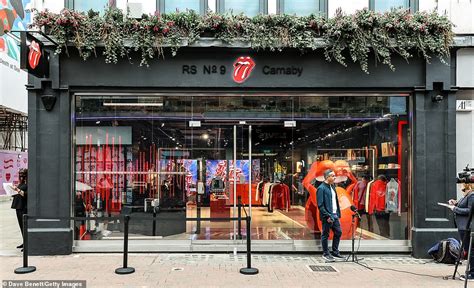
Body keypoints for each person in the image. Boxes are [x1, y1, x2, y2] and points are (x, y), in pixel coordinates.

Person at [449, 183, 474, 281]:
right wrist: (455, 203)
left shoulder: (471, 195)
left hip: (466, 226)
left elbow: (470, 210)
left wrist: (455, 209)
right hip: (463, 226)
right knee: (469, 250)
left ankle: (472, 273)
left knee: (471, 250)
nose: (460, 187)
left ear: (467, 185)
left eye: (461, 185)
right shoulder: (467, 195)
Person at [317, 169, 343, 262]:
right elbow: (320, 205)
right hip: (327, 216)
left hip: (335, 214)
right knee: (325, 234)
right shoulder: (321, 188)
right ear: (327, 177)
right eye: (333, 175)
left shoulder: (332, 186)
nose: (335, 177)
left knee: (338, 232)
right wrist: (327, 216)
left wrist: (337, 213)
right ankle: (326, 253)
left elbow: (334, 201)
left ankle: (335, 251)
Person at [10, 168, 28, 251]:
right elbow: (18, 192)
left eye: (22, 174)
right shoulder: (21, 183)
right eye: (20, 174)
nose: (21, 175)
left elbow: (26, 194)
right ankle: (24, 241)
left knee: (24, 226)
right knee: (21, 226)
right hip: (18, 207)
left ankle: (27, 244)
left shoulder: (28, 183)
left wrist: (17, 189)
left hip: (23, 207)